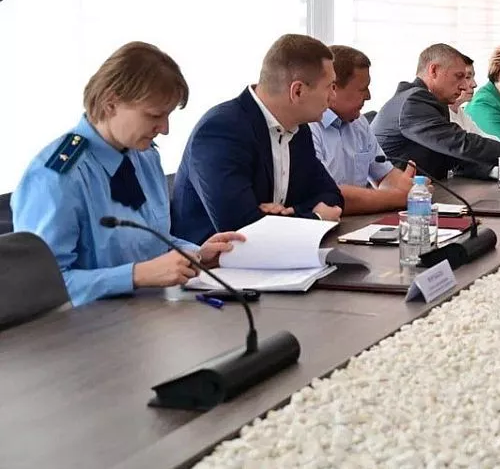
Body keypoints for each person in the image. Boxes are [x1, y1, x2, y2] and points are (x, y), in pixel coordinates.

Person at [13, 42, 244, 306]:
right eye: (154, 115)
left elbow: (152, 240)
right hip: (87, 325)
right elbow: (40, 286)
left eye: (168, 115)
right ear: (111, 103)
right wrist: (134, 275)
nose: (164, 128)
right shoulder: (55, 177)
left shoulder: (144, 156)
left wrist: (196, 255)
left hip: (151, 313)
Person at [172, 34, 345, 243]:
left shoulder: (299, 128)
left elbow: (332, 196)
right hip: (211, 260)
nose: (333, 97)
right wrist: (315, 217)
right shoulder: (221, 130)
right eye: (329, 87)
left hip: (278, 253)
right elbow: (240, 228)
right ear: (297, 91)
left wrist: (288, 213)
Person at [371, 43, 500, 180]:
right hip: (397, 205)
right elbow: (464, 144)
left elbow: (453, 156)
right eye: (459, 76)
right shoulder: (414, 102)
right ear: (433, 70)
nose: (464, 85)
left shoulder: (431, 101)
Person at [309, 45, 417, 215]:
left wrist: (411, 188)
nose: (368, 96)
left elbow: (385, 176)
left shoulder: (359, 123)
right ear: (333, 88)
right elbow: (328, 195)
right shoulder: (307, 127)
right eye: (363, 89)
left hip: (358, 221)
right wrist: (399, 197)